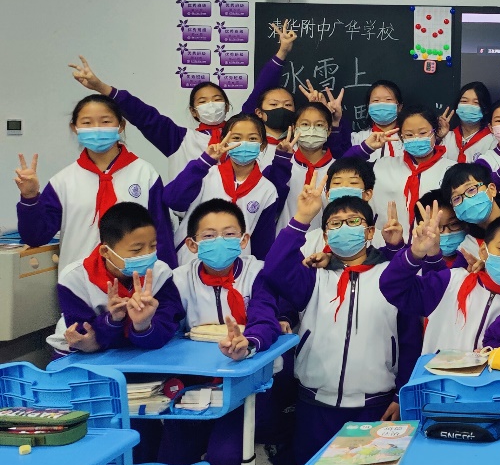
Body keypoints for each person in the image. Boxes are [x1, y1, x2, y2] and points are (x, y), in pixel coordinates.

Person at [263, 185, 421, 465]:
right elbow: (274, 269)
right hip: (314, 404)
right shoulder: (314, 277)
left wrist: (401, 395)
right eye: (335, 224)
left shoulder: (392, 278)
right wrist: (301, 218)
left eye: (353, 221)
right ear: (325, 236)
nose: (344, 228)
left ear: (370, 232)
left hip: (375, 405)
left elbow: (410, 341)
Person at [168, 199, 282, 465]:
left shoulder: (258, 273)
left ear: (244, 240)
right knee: (173, 456)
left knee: (226, 455)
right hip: (194, 383)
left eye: (229, 234)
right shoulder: (178, 279)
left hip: (248, 383)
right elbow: (167, 325)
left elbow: (265, 318)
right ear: (192, 245)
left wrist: (249, 343)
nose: (220, 241)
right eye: (209, 236)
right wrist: (143, 324)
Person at [65, 20, 296, 178]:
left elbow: (260, 91)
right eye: (202, 101)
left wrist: (282, 52)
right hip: (193, 222)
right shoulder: (179, 139)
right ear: (194, 111)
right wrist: (101, 87)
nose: (211, 104)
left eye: (217, 99)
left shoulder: (240, 129)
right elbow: (144, 116)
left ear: (227, 107)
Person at [16, 94, 174, 274]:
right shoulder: (63, 181)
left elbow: (162, 235)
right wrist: (29, 197)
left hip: (136, 281)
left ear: (121, 125)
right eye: (87, 123)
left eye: (105, 121)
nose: (96, 129)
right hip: (78, 282)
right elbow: (36, 237)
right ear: (74, 128)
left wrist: (166, 280)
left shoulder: (145, 174)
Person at [379, 202, 500, 353]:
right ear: (483, 251)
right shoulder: (452, 281)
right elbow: (393, 288)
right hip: (436, 373)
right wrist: (415, 253)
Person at [53, 201, 182, 354]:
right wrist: (112, 320)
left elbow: (169, 324)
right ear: (105, 252)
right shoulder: (73, 279)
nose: (147, 254)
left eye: (153, 246)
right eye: (137, 249)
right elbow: (82, 335)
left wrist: (143, 325)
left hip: (140, 353)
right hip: (84, 356)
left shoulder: (161, 273)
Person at [165, 113, 288, 264]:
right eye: (236, 138)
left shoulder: (267, 190)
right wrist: (203, 162)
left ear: (262, 145)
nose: (244, 144)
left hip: (238, 267)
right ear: (225, 141)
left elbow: (262, 243)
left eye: (252, 139)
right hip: (190, 261)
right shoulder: (205, 173)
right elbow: (172, 200)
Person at [275, 99, 350, 232]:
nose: (312, 129)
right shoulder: (282, 166)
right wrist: (281, 160)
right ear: (294, 128)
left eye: (319, 125)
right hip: (285, 239)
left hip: (327, 241)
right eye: (305, 124)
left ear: (329, 130)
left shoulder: (339, 171)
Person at [442, 81, 496, 163]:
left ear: (485, 109)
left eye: (476, 102)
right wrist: (438, 138)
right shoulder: (447, 137)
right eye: (464, 101)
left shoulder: (492, 140)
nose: (469, 106)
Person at [355, 80, 404, 160]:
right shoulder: (357, 138)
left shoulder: (409, 138)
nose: (382, 104)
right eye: (376, 100)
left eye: (388, 99)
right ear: (368, 106)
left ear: (399, 107)